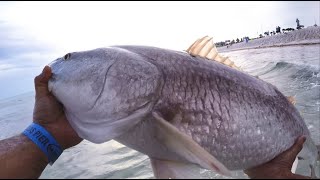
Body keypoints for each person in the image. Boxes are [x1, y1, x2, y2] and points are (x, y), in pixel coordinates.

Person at [0, 66, 312, 179]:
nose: (53, 72)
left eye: (69, 58)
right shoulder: (134, 123)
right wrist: (47, 133)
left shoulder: (145, 116)